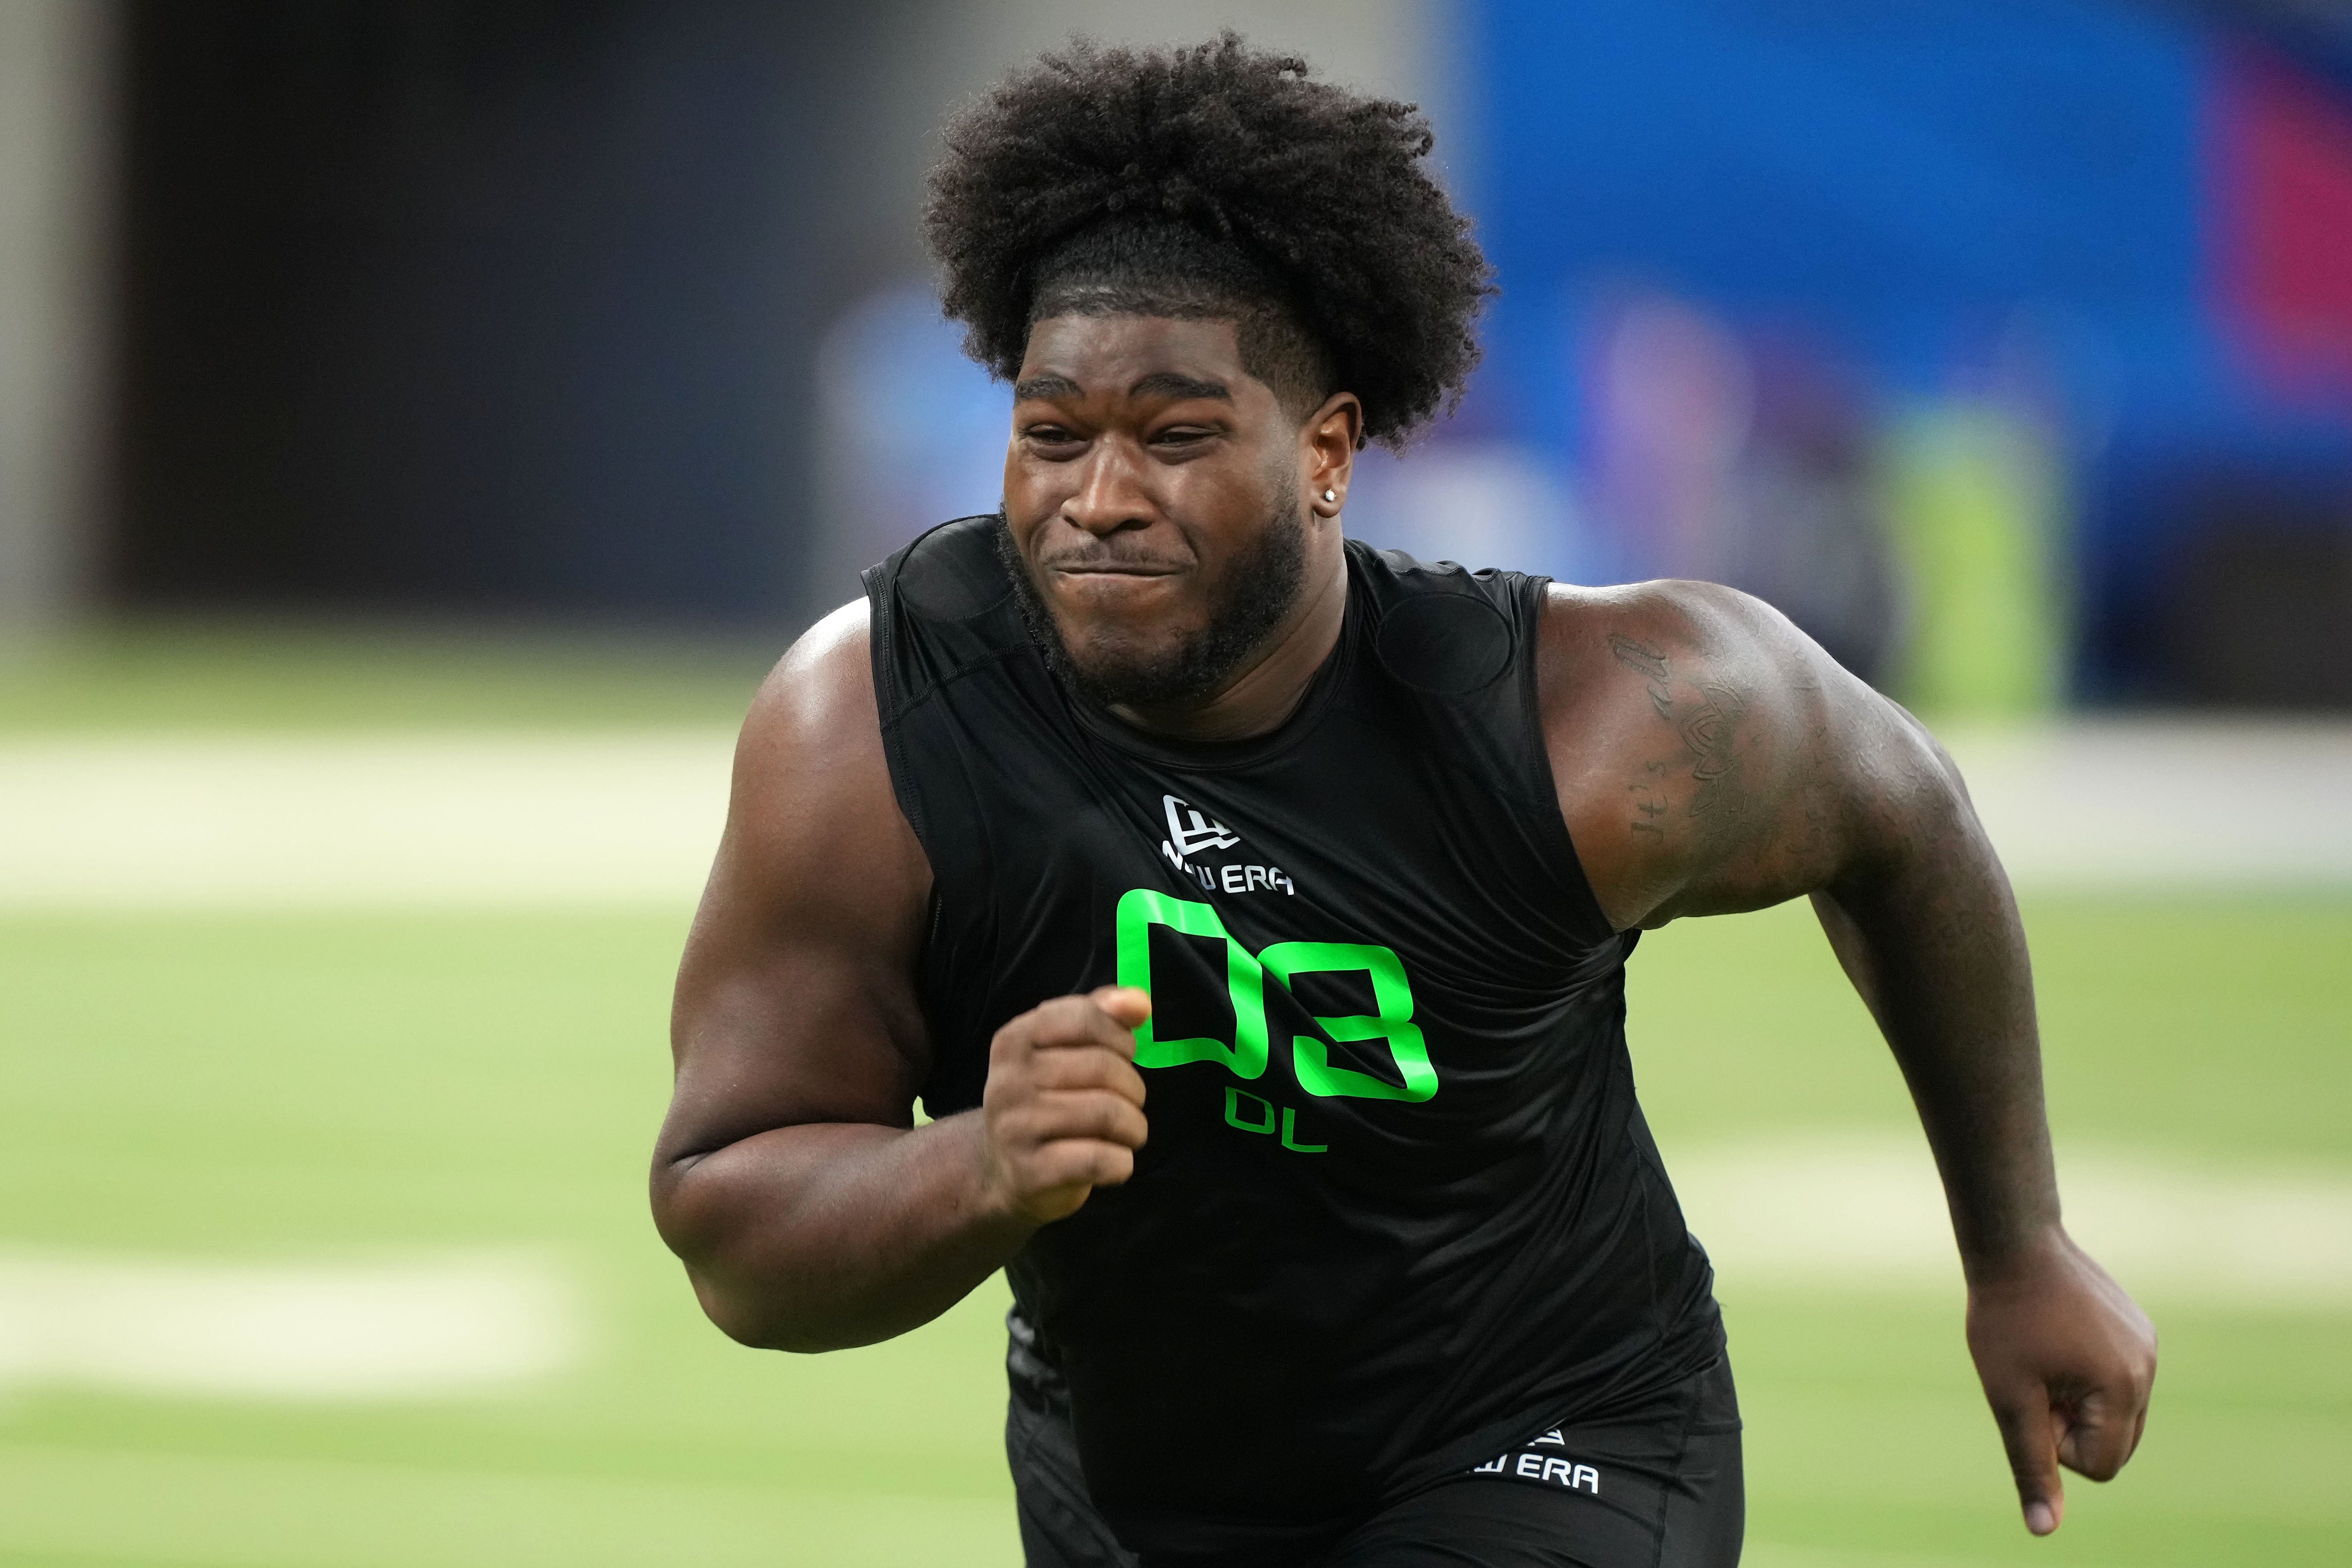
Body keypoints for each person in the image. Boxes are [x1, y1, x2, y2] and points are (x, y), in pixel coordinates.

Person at [651, 34, 2155, 1568]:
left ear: (1326, 451)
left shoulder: (1604, 711)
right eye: (1052, 434)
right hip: (1137, 1484)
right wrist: (969, 1170)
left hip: (1550, 1423)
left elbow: (1907, 816)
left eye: (1175, 435)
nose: (1098, 496)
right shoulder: (875, 723)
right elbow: (733, 1233)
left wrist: (2018, 1245)